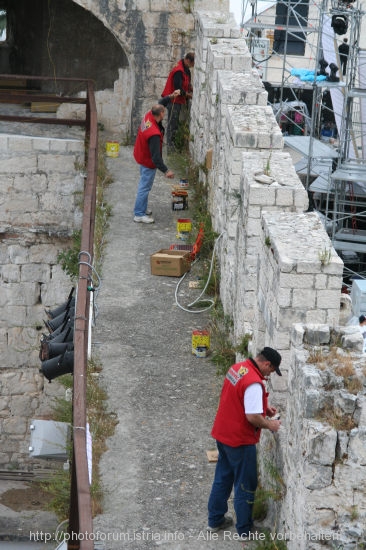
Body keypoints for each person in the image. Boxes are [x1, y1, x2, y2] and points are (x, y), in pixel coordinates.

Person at [207, 347, 282, 539]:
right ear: (266, 364)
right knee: (245, 484)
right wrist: (270, 424)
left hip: (223, 434)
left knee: (222, 478)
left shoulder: (238, 369)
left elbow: (238, 398)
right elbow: (252, 417)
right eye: (271, 370)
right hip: (240, 440)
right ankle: (245, 530)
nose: (269, 375)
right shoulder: (255, 384)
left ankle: (215, 521)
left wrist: (264, 407)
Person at [133, 91, 180, 223]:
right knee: (144, 187)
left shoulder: (149, 115)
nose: (165, 113)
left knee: (144, 185)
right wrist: (166, 170)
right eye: (164, 112)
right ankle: (139, 214)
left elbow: (161, 102)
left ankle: (142, 207)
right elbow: (156, 158)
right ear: (161, 114)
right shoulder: (154, 133)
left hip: (141, 154)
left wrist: (171, 96)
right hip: (147, 160)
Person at [161, 52, 195, 151]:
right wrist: (188, 95)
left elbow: (187, 84)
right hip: (173, 99)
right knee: (173, 123)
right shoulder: (178, 70)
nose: (193, 66)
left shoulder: (186, 69)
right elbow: (178, 89)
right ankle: (170, 148)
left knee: (175, 123)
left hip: (179, 100)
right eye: (193, 64)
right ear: (188, 60)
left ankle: (173, 146)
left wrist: (192, 89)